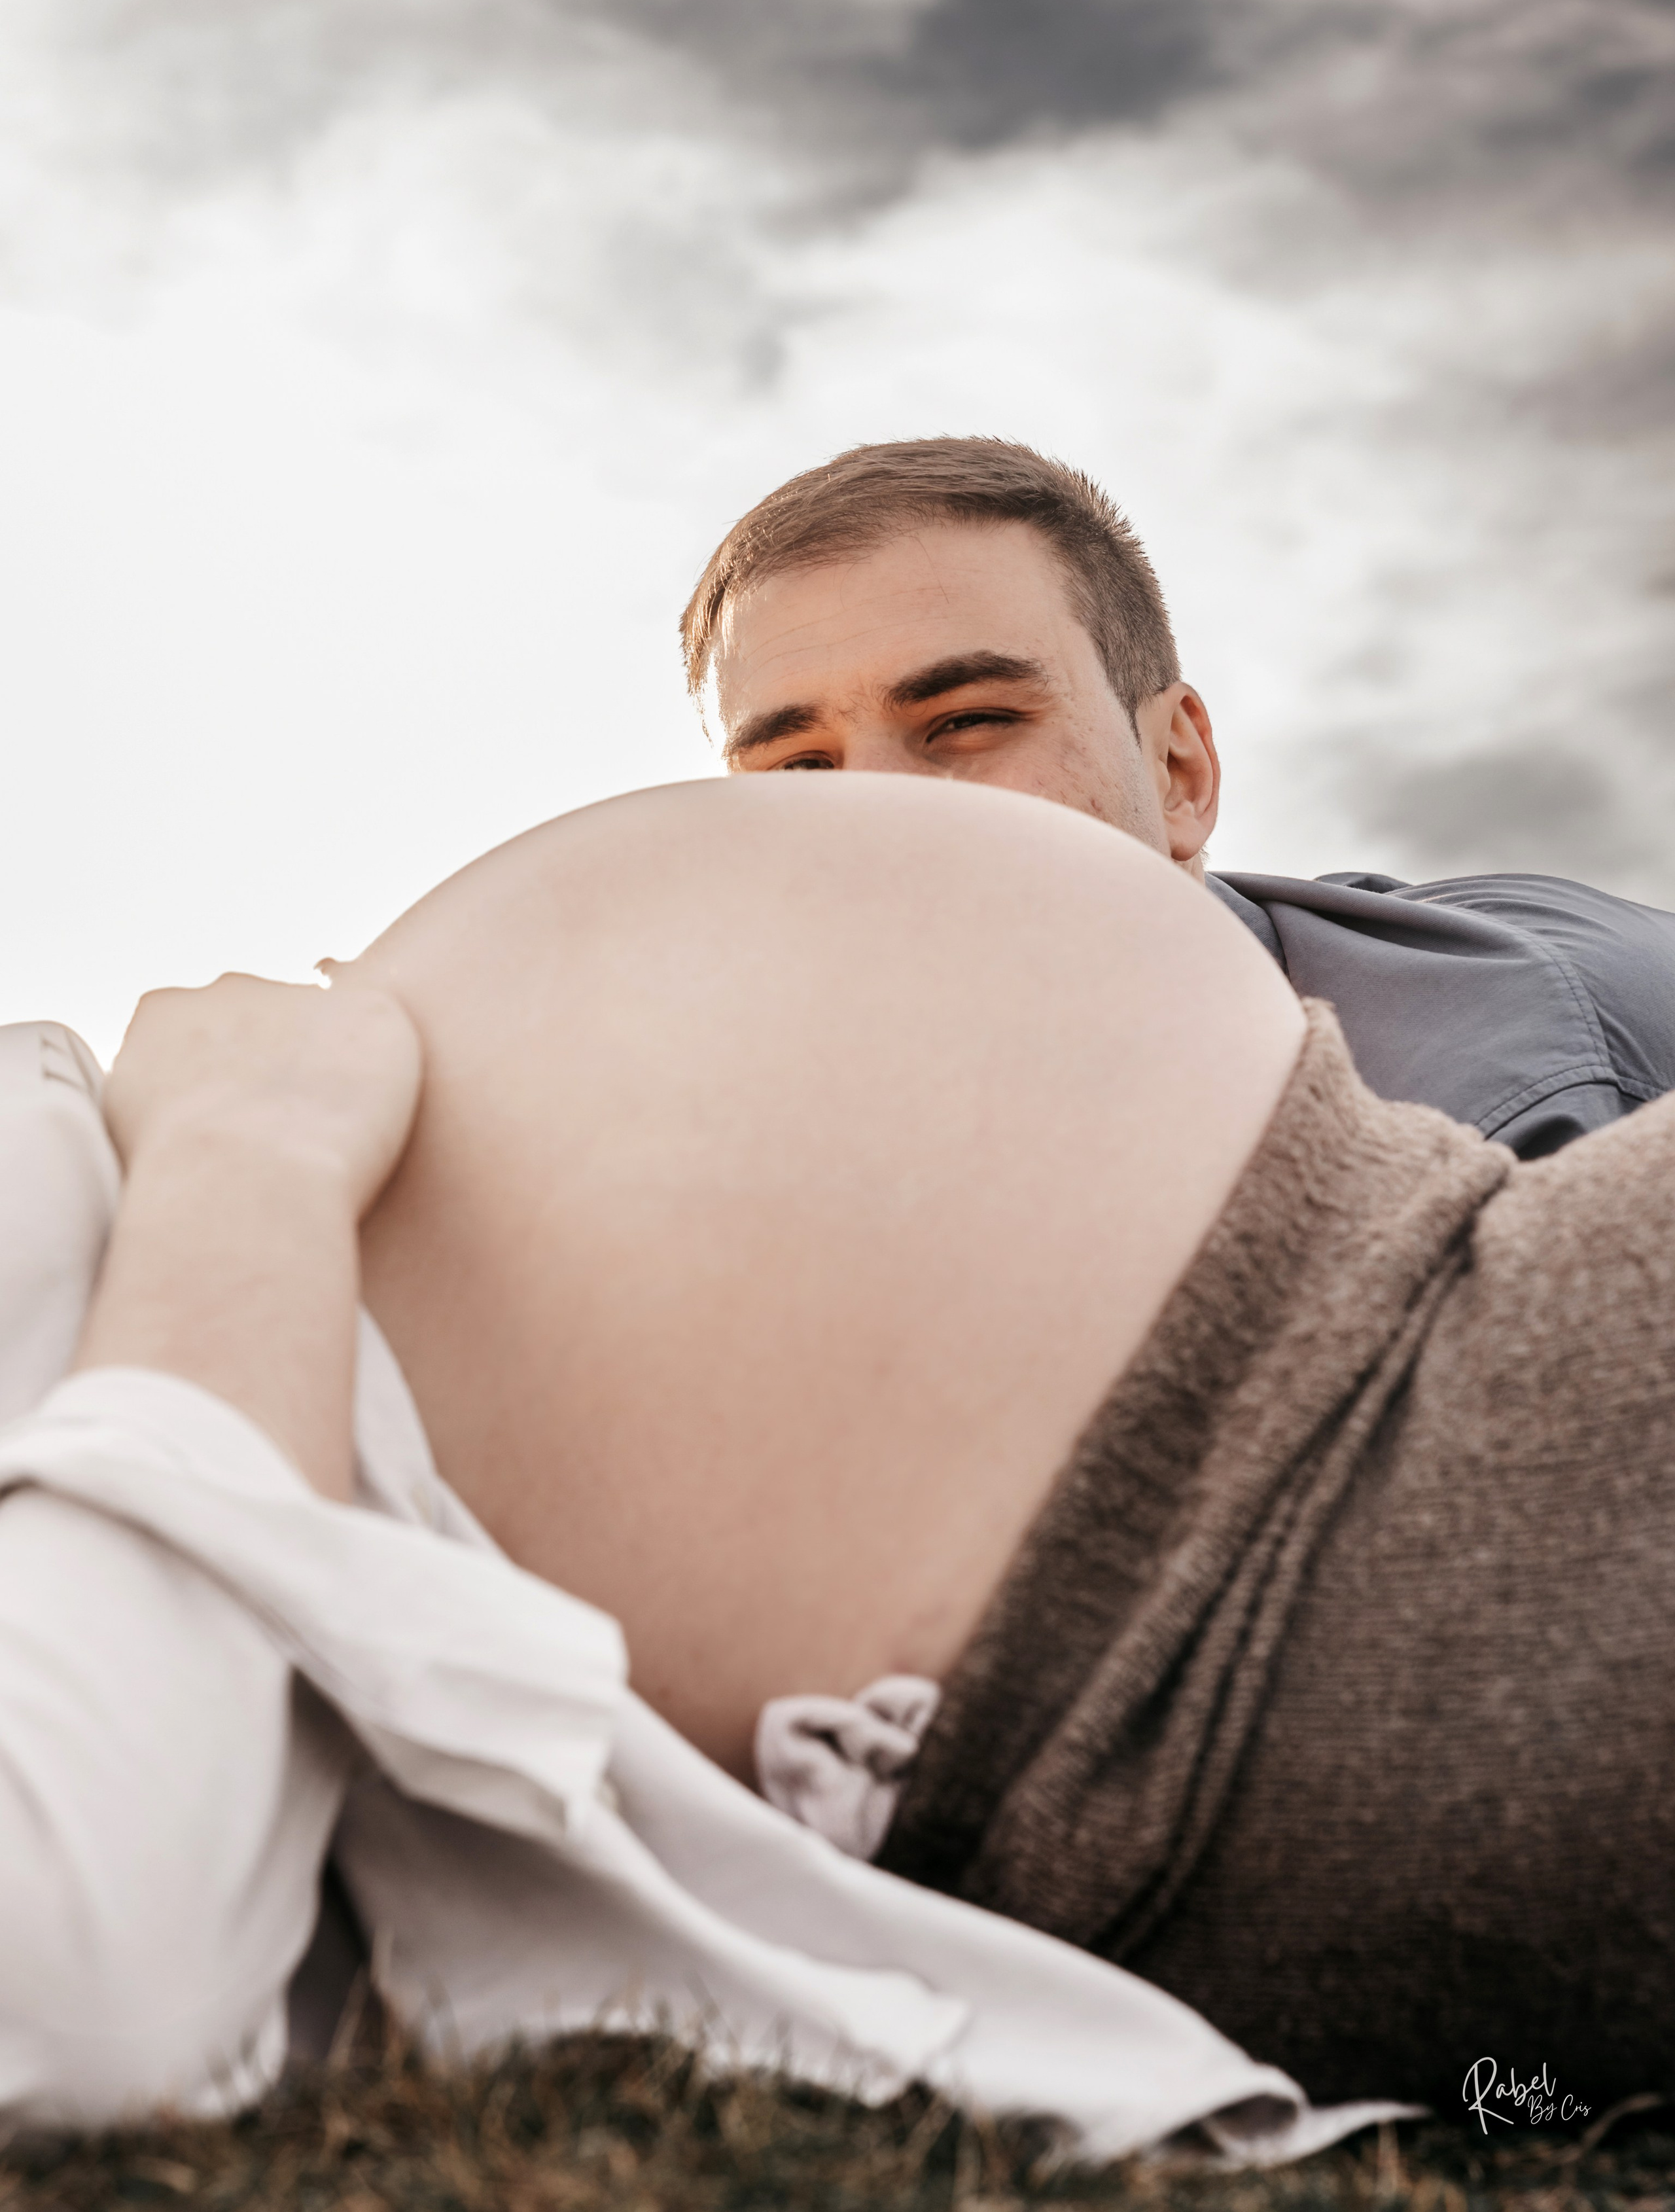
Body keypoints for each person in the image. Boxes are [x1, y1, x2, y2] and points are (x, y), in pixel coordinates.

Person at [4, 771, 1668, 2133]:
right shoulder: (235, 1175)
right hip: (1280, 1586)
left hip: (1408, 1294)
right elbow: (71, 1971)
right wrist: (246, 1161)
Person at [683, 437, 1675, 1160]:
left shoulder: (1501, 1113)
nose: (876, 820)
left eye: (967, 720)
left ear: (1175, 772)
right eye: (801, 771)